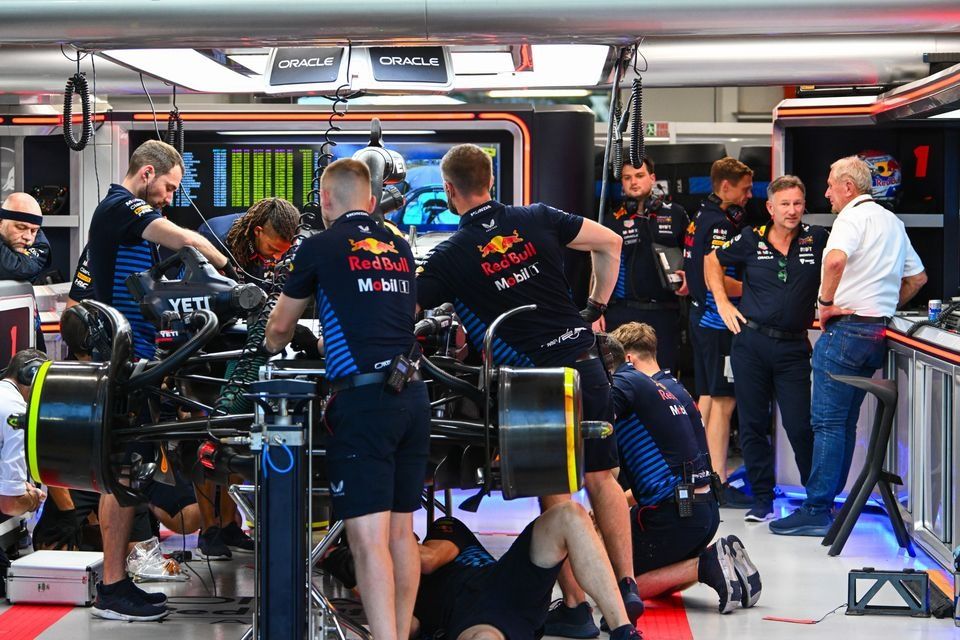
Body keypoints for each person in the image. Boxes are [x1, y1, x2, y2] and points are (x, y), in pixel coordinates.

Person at [415, 144, 641, 637]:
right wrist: (594, 304)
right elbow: (611, 244)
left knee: (556, 493)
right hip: (585, 357)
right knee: (603, 477)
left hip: (534, 383)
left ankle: (579, 607)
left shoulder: (451, 254)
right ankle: (626, 589)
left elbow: (405, 311)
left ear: (450, 190)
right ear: (492, 180)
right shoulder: (537, 216)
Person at [264, 158, 429, 640]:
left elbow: (277, 328)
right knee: (401, 533)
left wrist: (274, 345)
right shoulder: (399, 243)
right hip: (412, 394)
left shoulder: (319, 245)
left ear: (324, 201)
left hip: (364, 403)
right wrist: (326, 343)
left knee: (366, 537)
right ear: (373, 202)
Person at [87, 139, 229, 622]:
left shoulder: (135, 223)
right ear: (146, 173)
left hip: (143, 361)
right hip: (121, 362)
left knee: (129, 475)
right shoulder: (119, 206)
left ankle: (117, 581)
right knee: (122, 477)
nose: (170, 197)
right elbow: (187, 240)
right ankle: (112, 588)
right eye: (168, 186)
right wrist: (223, 264)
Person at [770, 156, 927, 536]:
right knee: (843, 424)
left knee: (827, 424)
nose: (824, 193)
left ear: (848, 187)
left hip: (845, 332)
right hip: (875, 333)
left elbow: (836, 261)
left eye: (829, 185)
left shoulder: (851, 218)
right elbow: (918, 278)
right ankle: (827, 504)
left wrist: (825, 304)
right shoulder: (891, 221)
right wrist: (882, 305)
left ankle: (816, 508)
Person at [606, 324, 761, 614]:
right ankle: (719, 560)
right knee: (661, 564)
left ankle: (705, 564)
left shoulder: (634, 387)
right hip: (703, 507)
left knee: (611, 579)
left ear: (627, 359)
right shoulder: (675, 391)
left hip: (678, 510)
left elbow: (664, 475)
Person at [705, 176, 829, 522]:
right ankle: (762, 499)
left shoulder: (817, 238)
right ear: (770, 208)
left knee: (800, 425)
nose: (792, 211)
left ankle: (815, 503)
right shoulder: (750, 238)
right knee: (752, 425)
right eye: (785, 204)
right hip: (751, 344)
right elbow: (711, 261)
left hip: (793, 348)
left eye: (798, 203)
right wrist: (722, 304)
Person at [413, 504, 639, 640]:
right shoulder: (388, 586)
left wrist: (386, 541)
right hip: (471, 618)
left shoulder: (443, 531)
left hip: (500, 585)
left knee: (568, 515)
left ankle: (623, 630)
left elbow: (429, 561)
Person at [682, 157, 753, 502]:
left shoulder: (701, 216)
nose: (749, 195)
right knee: (724, 400)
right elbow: (718, 280)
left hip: (700, 319)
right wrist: (759, 285)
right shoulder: (721, 224)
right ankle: (717, 483)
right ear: (726, 187)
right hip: (717, 320)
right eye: (745, 189)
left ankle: (702, 478)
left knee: (709, 397)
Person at [601, 158, 688, 371]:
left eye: (639, 176)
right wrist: (597, 310)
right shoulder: (612, 219)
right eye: (627, 178)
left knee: (662, 378)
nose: (633, 182)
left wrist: (689, 278)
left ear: (652, 178)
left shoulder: (675, 213)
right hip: (622, 313)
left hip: (664, 313)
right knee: (619, 377)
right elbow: (599, 265)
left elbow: (693, 255)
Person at [198, 196, 299, 283]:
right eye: (273, 249)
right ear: (258, 231)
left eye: (284, 251)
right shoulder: (214, 238)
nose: (278, 257)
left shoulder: (289, 242)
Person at [0, 193, 52, 351]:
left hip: (26, 342)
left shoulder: (40, 245)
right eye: (20, 227)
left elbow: (16, 268)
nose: (28, 238)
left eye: (34, 230)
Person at [0, 349, 47, 518]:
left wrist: (22, 485)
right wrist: (33, 498)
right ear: (31, 375)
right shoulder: (18, 413)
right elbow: (10, 504)